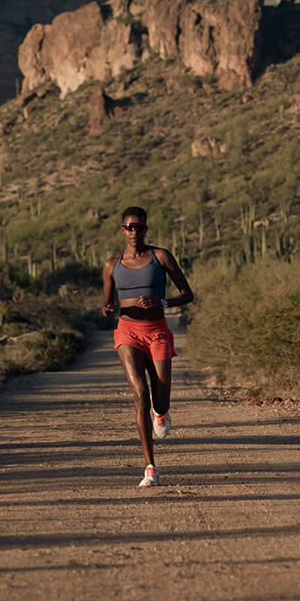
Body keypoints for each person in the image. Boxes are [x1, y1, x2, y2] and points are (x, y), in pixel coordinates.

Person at [103, 206, 194, 487]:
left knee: (160, 399)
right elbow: (108, 302)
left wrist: (162, 302)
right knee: (139, 394)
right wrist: (108, 308)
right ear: (122, 230)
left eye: (139, 227)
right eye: (129, 227)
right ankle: (150, 467)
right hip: (128, 332)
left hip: (157, 332)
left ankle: (161, 411)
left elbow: (187, 294)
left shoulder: (161, 256)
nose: (134, 231)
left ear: (146, 229)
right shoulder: (111, 264)